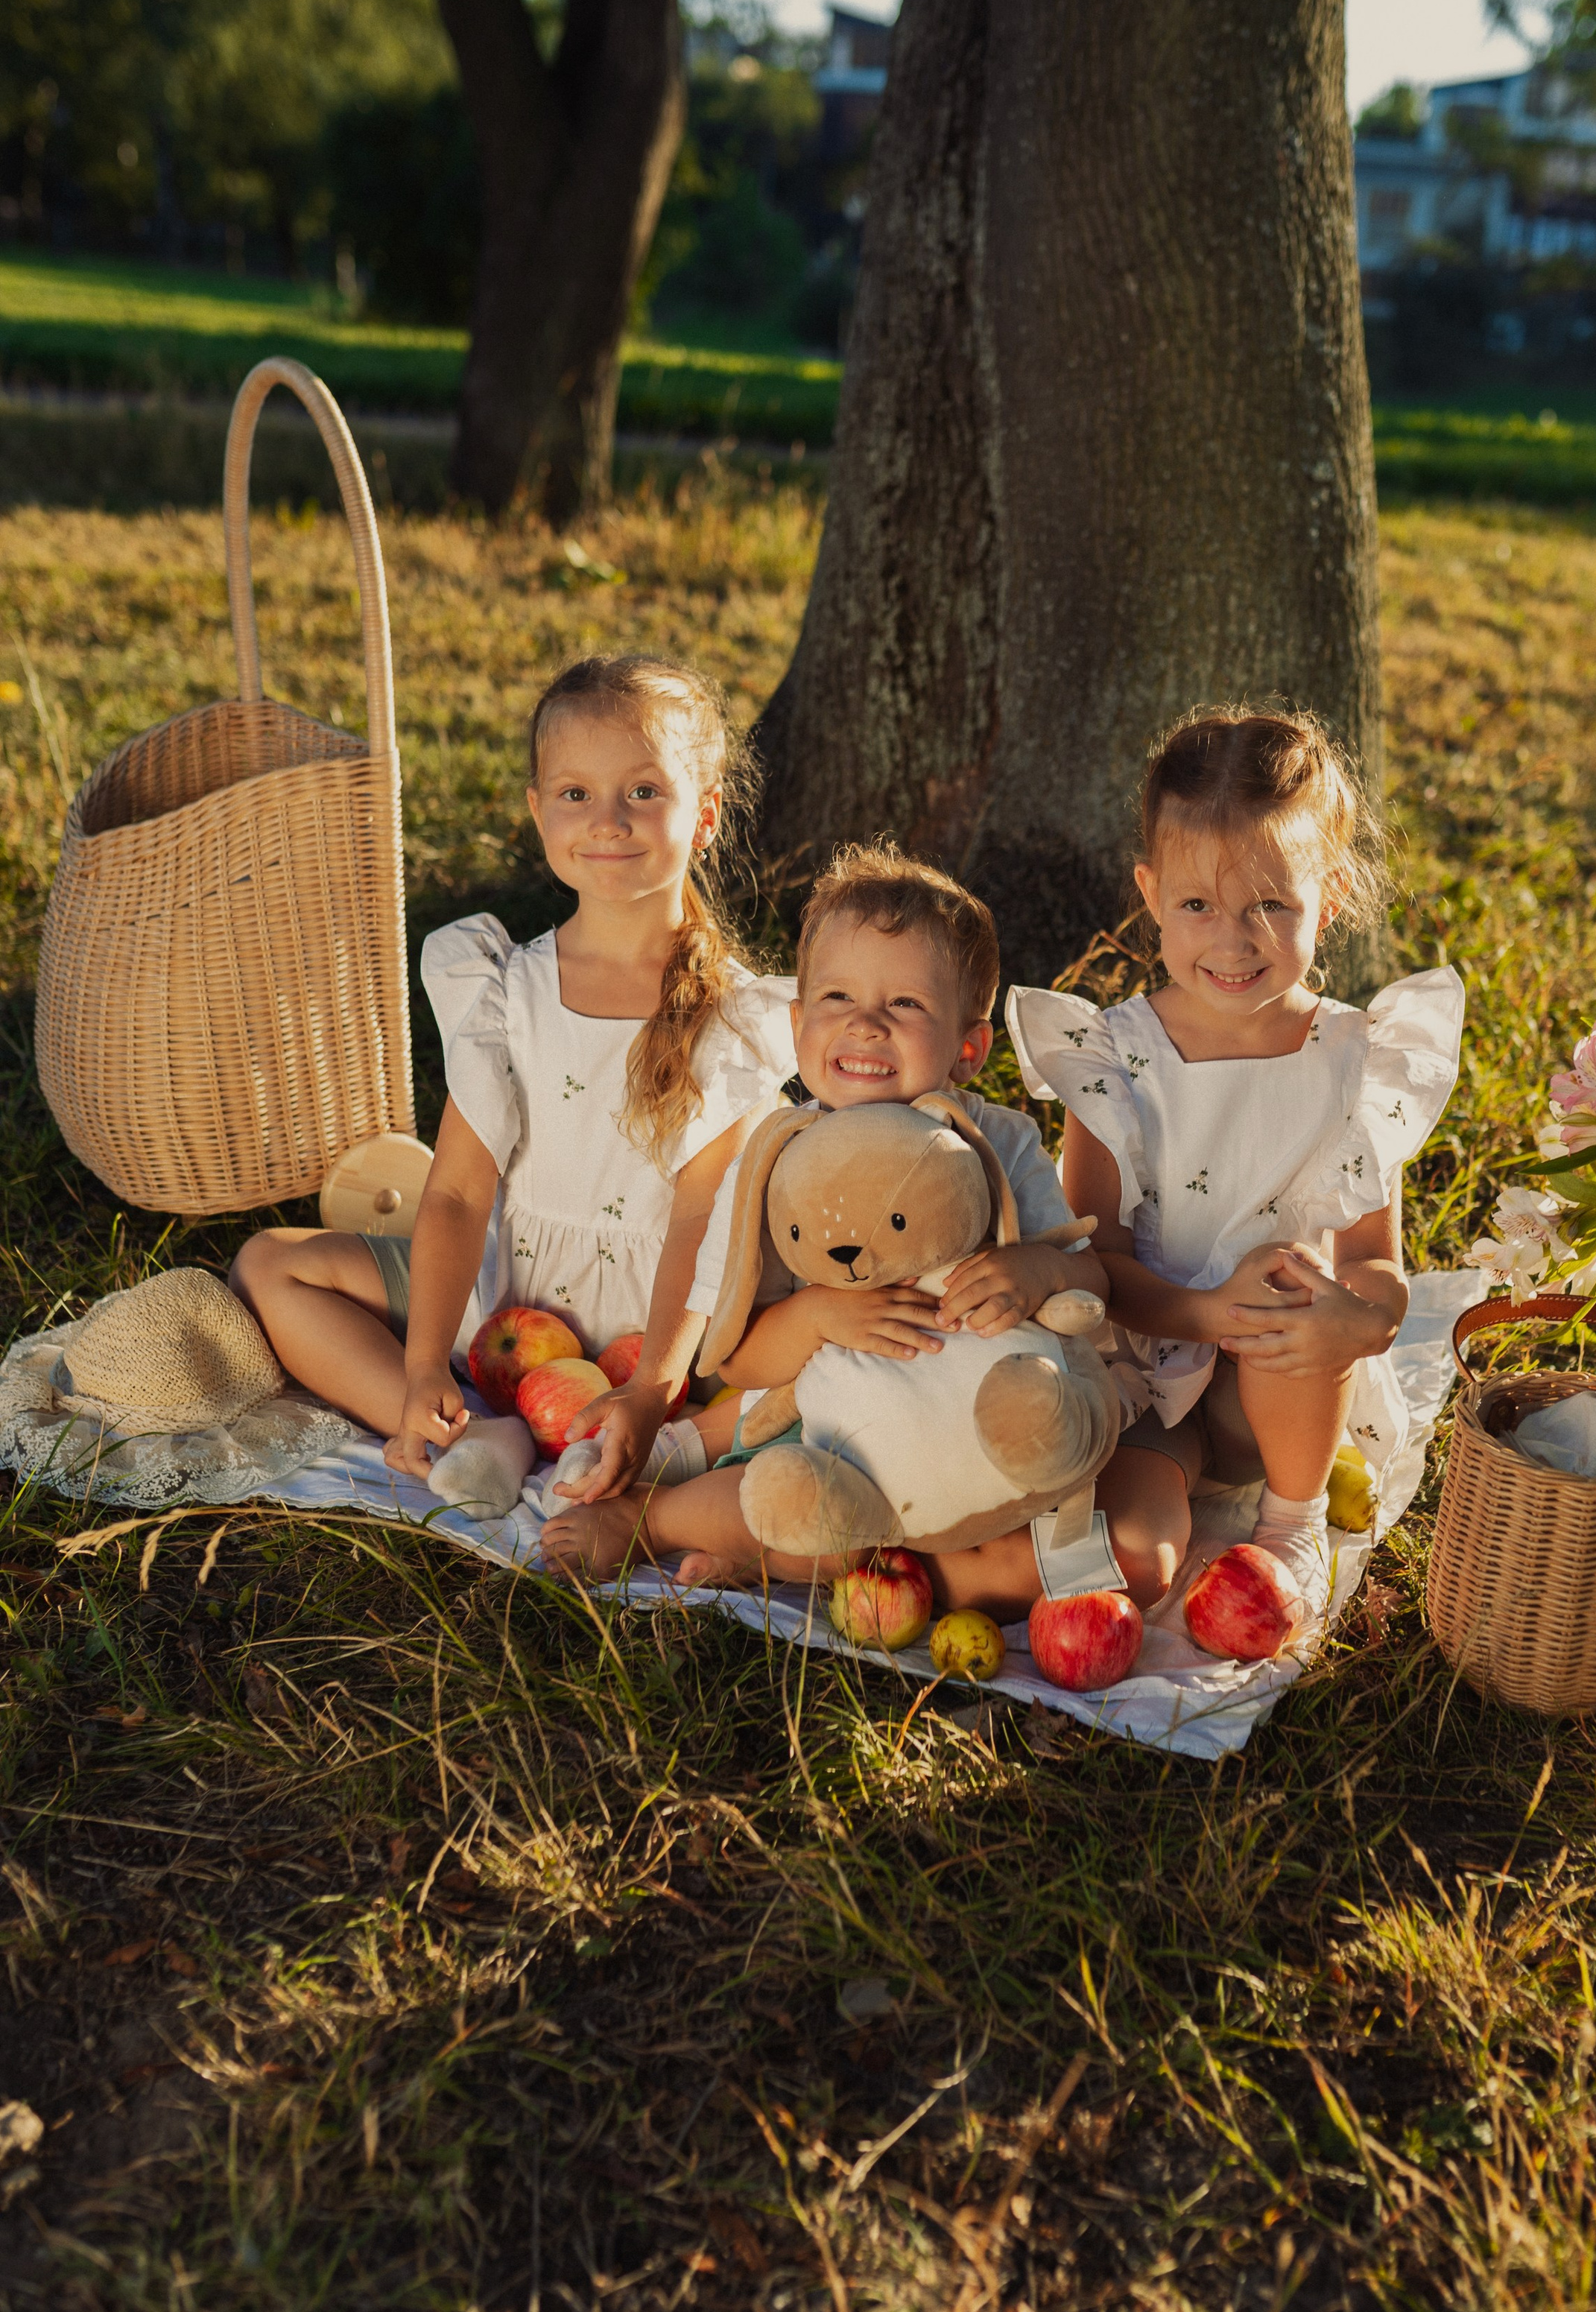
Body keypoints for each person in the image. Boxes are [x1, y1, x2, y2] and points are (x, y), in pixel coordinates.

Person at [231, 655, 796, 1510]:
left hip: (658, 1334)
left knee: (814, 1353)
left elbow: (697, 1221)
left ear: (705, 813)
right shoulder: (506, 990)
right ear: (539, 812)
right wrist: (422, 1364)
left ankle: (632, 1435)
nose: (607, 819)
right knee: (271, 1264)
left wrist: (649, 1385)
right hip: (504, 1301)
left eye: (643, 792)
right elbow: (458, 1192)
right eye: (575, 794)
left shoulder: (734, 1018)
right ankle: (457, 1423)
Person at [1005, 703, 1464, 1634]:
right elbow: (1092, 1266)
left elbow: (1379, 1265)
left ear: (1328, 898)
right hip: (1148, 1378)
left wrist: (1351, 1317)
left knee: (1300, 1286)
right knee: (1134, 1561)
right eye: (1197, 906)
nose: (1233, 939)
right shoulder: (1117, 1062)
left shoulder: (1353, 1060)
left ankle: (1290, 1525)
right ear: (1149, 891)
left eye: (1273, 906)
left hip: (1280, 1395)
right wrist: (1208, 1313)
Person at [541, 845, 1114, 1589]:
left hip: (977, 1431)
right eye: (838, 999)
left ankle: (784, 1565)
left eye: (905, 1004)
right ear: (798, 1021)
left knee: (1077, 1537)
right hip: (837, 1437)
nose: (866, 1025)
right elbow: (734, 1357)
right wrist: (817, 1317)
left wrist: (1035, 1270)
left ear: (969, 1049)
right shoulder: (777, 1162)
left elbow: (1089, 1276)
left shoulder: (998, 1141)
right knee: (788, 1505)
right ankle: (648, 1522)